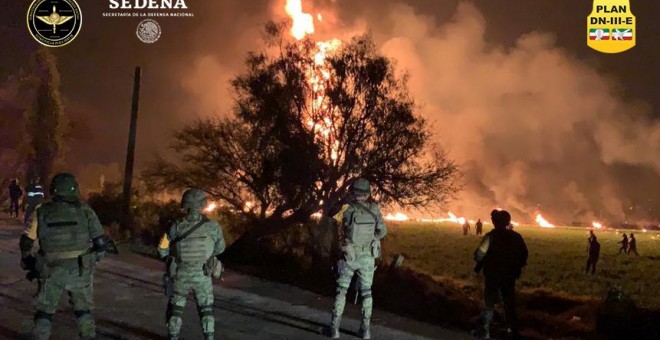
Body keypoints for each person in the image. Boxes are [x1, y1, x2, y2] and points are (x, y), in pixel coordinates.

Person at [18, 173, 107, 340]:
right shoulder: (86, 211)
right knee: (83, 311)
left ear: (54, 190)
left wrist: (29, 262)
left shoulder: (41, 211)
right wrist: (92, 261)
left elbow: (25, 242)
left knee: (45, 312)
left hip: (50, 270)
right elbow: (101, 243)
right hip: (80, 270)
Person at [158, 188, 225, 340]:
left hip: (180, 274)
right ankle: (209, 337)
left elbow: (162, 248)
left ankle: (173, 337)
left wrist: (169, 259)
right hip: (203, 275)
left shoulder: (175, 226)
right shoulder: (213, 227)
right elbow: (220, 248)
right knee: (206, 309)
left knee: (176, 308)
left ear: (185, 204)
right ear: (202, 205)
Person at [327, 178, 387, 339]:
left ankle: (334, 329)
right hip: (368, 257)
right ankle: (365, 330)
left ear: (352, 192)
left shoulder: (345, 208)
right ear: (367, 193)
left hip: (349, 256)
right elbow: (382, 232)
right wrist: (370, 239)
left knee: (341, 291)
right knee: (367, 292)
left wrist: (344, 199)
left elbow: (330, 214)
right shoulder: (374, 209)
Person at [472, 209, 528, 340]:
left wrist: (478, 266)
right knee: (509, 304)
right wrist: (517, 268)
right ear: (508, 222)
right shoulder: (516, 237)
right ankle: (513, 332)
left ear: (494, 222)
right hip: (509, 277)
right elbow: (524, 255)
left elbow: (479, 255)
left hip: (492, 276)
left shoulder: (490, 237)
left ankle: (485, 332)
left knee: (489, 303)